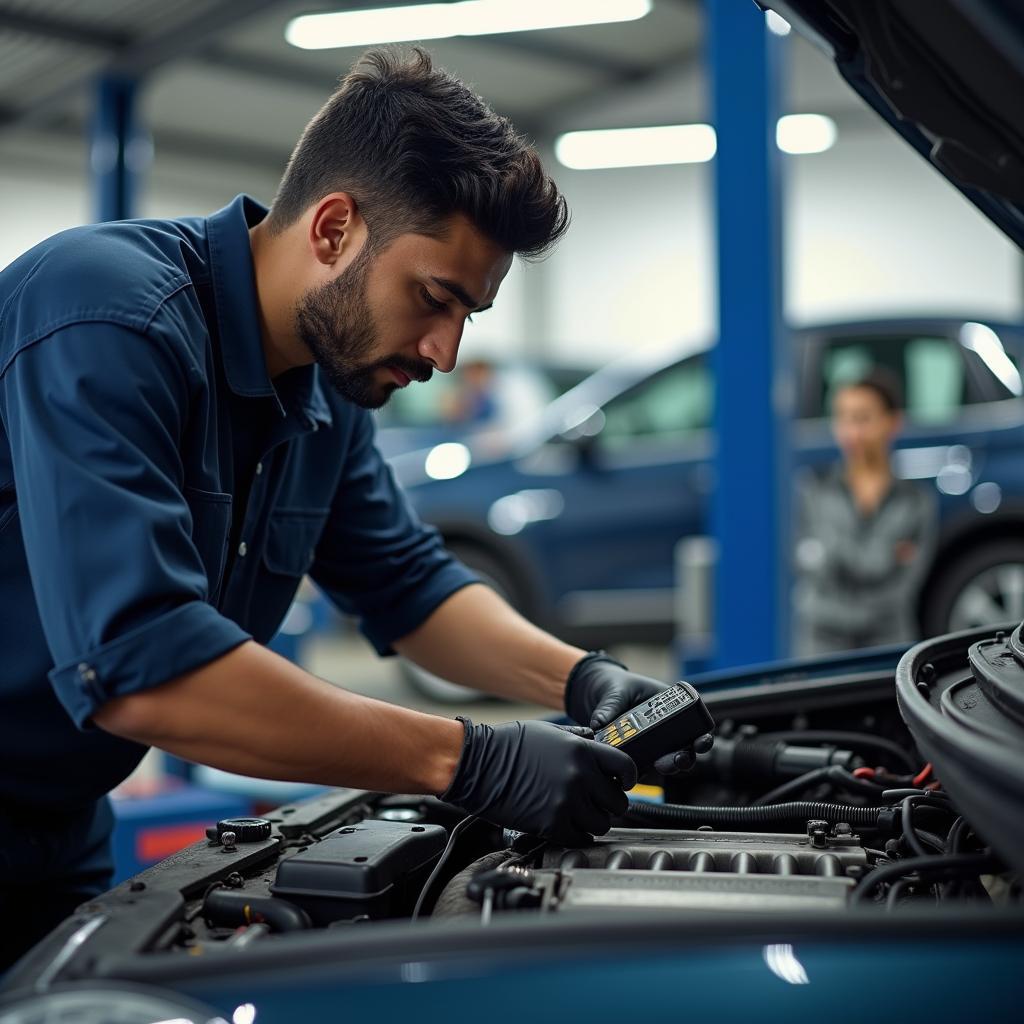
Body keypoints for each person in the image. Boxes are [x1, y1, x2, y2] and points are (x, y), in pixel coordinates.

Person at [0, 48, 707, 968]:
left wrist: (584, 680)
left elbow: (407, 585)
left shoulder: (326, 393)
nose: (447, 352)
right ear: (333, 227)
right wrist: (469, 758)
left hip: (58, 821)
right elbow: (143, 669)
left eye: (469, 316)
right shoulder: (107, 317)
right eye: (434, 298)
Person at [794, 370, 937, 655]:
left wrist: (836, 554)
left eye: (862, 418)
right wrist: (883, 559)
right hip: (822, 642)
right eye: (843, 419)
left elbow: (906, 586)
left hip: (888, 642)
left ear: (892, 422)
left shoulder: (915, 502)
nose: (851, 432)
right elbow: (809, 567)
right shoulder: (813, 492)